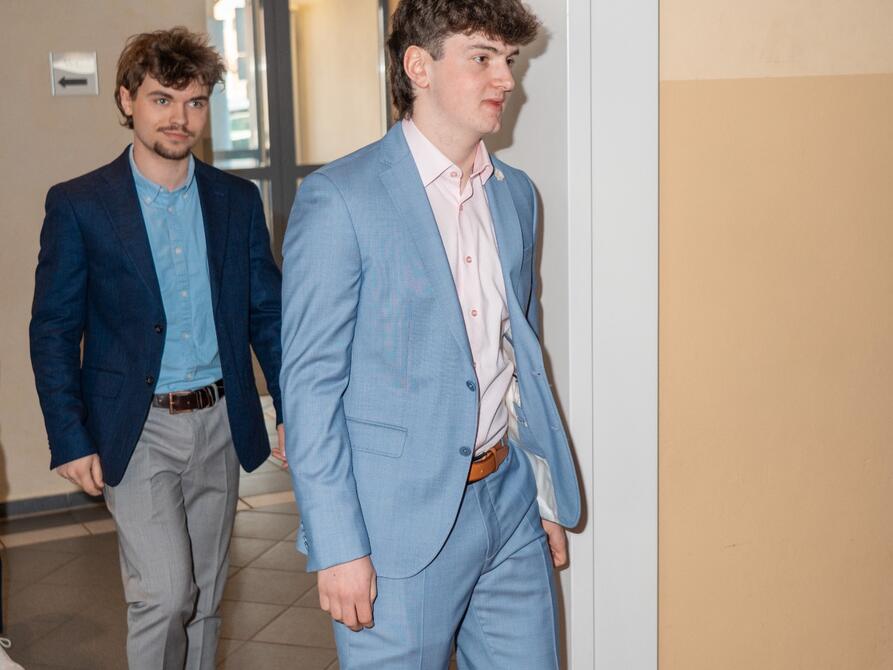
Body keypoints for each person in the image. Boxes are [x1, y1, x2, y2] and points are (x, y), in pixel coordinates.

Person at [279, 1, 581, 667]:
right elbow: (309, 389)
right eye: (482, 58)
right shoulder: (341, 198)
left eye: (509, 60)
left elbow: (517, 360)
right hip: (396, 527)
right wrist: (337, 545)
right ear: (419, 66)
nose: (506, 79)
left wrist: (540, 491)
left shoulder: (515, 195)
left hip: (507, 500)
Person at [29, 27, 284, 670]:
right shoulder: (81, 205)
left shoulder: (236, 201)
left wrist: (292, 407)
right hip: (136, 427)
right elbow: (53, 329)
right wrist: (70, 436)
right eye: (162, 99)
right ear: (127, 101)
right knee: (165, 597)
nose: (180, 117)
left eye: (195, 102)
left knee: (206, 599)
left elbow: (268, 315)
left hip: (221, 422)